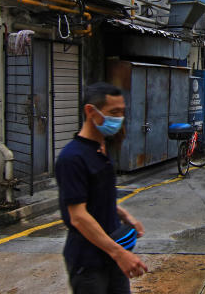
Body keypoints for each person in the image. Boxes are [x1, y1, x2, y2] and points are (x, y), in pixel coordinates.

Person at [55, 83, 148, 294]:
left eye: (122, 112)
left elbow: (98, 195)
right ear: (90, 111)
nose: (119, 119)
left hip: (111, 255)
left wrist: (125, 215)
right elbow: (78, 216)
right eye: (113, 112)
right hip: (89, 263)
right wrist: (119, 253)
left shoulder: (101, 148)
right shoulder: (72, 158)